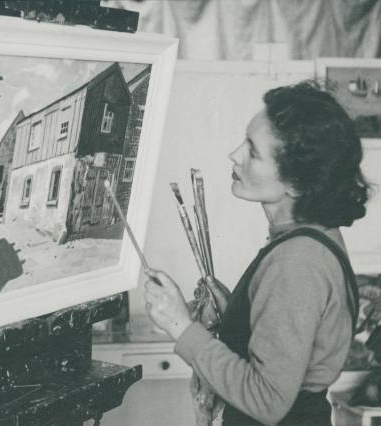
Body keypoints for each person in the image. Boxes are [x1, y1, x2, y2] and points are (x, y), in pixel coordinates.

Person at [144, 81, 369, 426]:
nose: (235, 154)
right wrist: (238, 310)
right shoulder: (311, 239)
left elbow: (266, 400)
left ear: (296, 182)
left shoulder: (298, 261)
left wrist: (181, 326)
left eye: (253, 151)